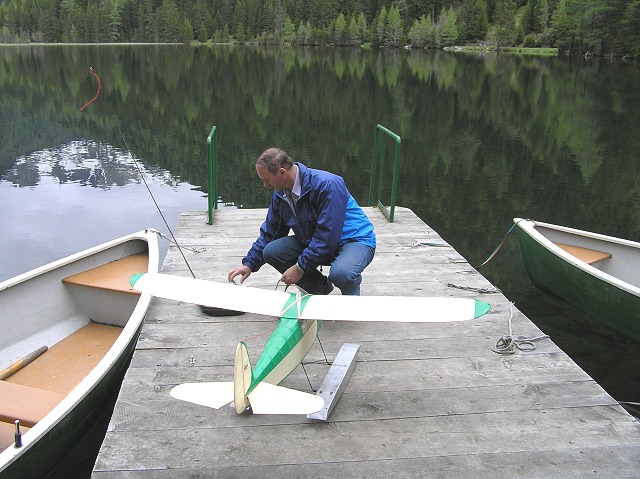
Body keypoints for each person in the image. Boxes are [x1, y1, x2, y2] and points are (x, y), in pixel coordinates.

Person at [227, 147, 376, 296]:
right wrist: (249, 264)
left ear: (282, 172)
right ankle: (320, 287)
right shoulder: (280, 194)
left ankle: (352, 302)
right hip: (317, 240)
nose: (265, 185)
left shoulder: (328, 184)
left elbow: (327, 235)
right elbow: (271, 233)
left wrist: (299, 268)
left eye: (266, 180)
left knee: (342, 274)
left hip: (354, 240)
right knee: (271, 251)